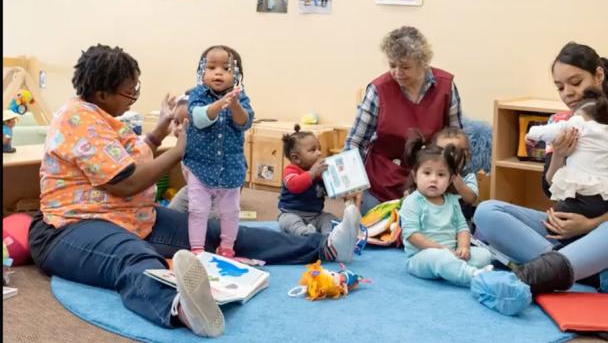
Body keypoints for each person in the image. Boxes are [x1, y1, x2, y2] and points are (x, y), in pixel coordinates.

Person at [28, 44, 362, 337]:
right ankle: (183, 309)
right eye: (129, 93)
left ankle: (325, 248)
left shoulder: (101, 117)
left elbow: (128, 157)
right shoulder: (77, 119)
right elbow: (126, 181)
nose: (134, 96)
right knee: (133, 257)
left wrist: (161, 129)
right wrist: (178, 151)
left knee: (219, 235)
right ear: (102, 94)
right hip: (71, 227)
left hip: (129, 215)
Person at [471, 42, 608, 315]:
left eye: (575, 82)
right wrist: (558, 155)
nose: (568, 93)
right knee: (487, 211)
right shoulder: (559, 121)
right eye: (560, 87)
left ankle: (526, 277)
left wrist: (590, 224)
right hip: (567, 230)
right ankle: (596, 275)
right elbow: (550, 190)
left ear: (598, 75)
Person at [344, 26, 463, 215]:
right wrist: (353, 185)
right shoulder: (378, 90)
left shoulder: (446, 86)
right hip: (382, 182)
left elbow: (456, 140)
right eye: (392, 65)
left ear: (423, 63)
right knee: (382, 225)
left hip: (430, 180)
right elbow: (354, 143)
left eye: (405, 67)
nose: (397, 72)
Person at [182, 45, 253, 258]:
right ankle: (197, 249)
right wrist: (220, 104)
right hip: (199, 165)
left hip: (230, 167)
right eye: (211, 67)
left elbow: (244, 122)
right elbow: (199, 118)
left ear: (237, 75)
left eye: (226, 68)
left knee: (230, 212)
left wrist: (233, 105)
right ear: (201, 73)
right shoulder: (198, 94)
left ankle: (227, 248)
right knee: (197, 209)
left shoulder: (240, 98)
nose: (218, 72)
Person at [400, 132, 493, 287]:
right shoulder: (412, 201)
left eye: (441, 174)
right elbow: (412, 235)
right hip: (422, 255)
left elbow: (462, 228)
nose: (434, 179)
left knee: (484, 255)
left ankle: (453, 269)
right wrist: (442, 249)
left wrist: (463, 247)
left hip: (451, 252)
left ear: (450, 179)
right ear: (415, 176)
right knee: (440, 259)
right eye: (427, 173)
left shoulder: (452, 200)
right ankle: (472, 275)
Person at [526, 88, 608, 229]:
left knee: (556, 219)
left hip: (582, 193)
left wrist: (531, 135)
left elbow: (548, 131)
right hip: (604, 195)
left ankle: (560, 245)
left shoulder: (578, 124)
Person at [277, 125, 337, 236]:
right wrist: (312, 173)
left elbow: (328, 191)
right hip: (292, 213)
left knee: (330, 219)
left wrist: (336, 183)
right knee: (288, 222)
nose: (319, 153)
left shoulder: (318, 172)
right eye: (313, 150)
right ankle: (306, 234)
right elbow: (294, 185)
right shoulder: (290, 170)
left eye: (319, 149)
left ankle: (329, 236)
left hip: (316, 215)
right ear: (296, 158)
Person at [431, 127, 480, 228]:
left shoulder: (467, 175)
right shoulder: (432, 173)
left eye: (453, 153)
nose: (446, 157)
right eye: (441, 151)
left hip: (459, 222)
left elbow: (472, 198)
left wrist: (460, 185)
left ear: (467, 156)